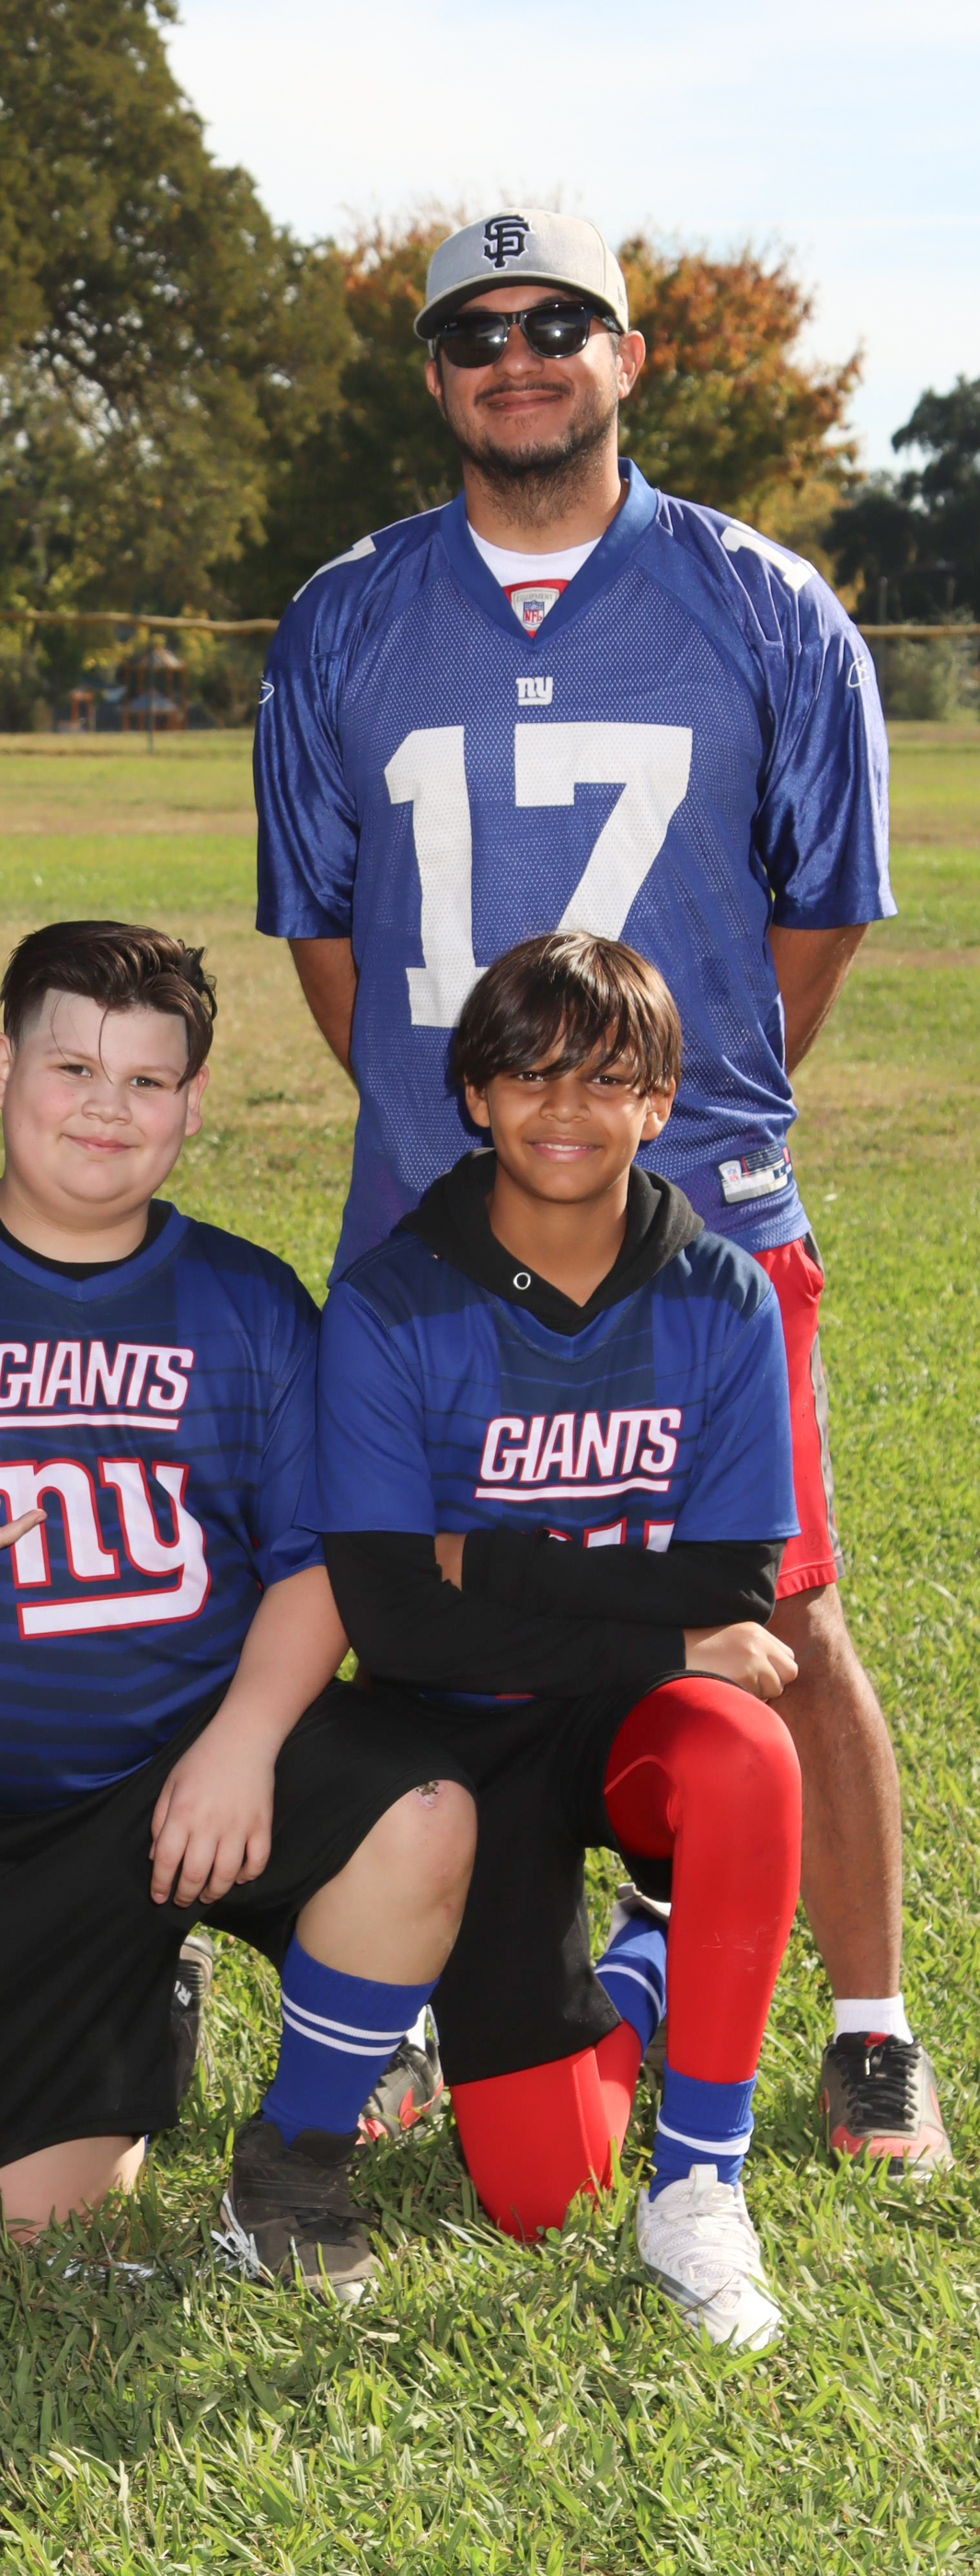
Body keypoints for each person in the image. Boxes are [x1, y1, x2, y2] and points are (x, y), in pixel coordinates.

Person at [255, 206, 948, 2174]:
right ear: (436, 375)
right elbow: (325, 933)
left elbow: (814, 917)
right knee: (414, 1602)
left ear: (626, 356)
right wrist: (452, 1138)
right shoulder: (346, 614)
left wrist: (670, 1123)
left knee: (785, 1612)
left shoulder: (765, 603)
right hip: (433, 1232)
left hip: (699, 1215)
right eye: (477, 331)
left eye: (559, 321)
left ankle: (870, 2022)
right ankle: (419, 1983)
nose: (520, 355)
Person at [0, 921, 477, 2294]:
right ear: (0, 1071)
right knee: (33, 2225)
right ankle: (148, 1987)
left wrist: (242, 1743)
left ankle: (297, 2163)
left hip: (200, 1764)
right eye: (72, 1067)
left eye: (145, 1080)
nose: (105, 1107)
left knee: (421, 1811)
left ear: (191, 1105)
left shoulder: (247, 1302)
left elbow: (317, 1559)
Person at [306, 933, 804, 2347]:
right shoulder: (393, 1302)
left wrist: (489, 1558)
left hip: (623, 1729)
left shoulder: (721, 1297)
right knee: (539, 2194)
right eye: (529, 1074)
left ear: (659, 1102)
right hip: (459, 1752)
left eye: (606, 1078)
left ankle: (701, 2180)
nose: (566, 1109)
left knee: (745, 1754)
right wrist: (664, 1638)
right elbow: (399, 1619)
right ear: (474, 1095)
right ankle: (643, 1967)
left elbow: (735, 1581)